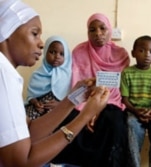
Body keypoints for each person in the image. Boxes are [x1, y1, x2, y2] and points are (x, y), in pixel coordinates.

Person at [0, 0, 109, 167]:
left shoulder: (8, 73)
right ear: (7, 32)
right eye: (34, 33)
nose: (41, 43)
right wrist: (86, 115)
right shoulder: (3, 74)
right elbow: (20, 162)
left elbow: (29, 132)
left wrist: (73, 98)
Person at [54, 13, 130, 167]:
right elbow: (77, 87)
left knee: (114, 122)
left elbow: (119, 88)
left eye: (102, 28)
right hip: (83, 100)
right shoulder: (79, 52)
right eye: (92, 30)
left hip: (110, 100)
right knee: (68, 120)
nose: (98, 34)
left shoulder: (120, 54)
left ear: (109, 29)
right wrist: (88, 110)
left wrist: (97, 109)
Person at [120, 35, 151, 167]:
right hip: (133, 111)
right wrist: (136, 111)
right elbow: (125, 100)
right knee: (130, 124)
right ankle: (134, 163)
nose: (147, 55)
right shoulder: (127, 73)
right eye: (142, 51)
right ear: (133, 53)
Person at [25, 35, 72, 120]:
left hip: (59, 110)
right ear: (45, 51)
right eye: (53, 52)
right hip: (37, 109)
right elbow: (30, 96)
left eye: (62, 54)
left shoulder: (68, 75)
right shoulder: (37, 74)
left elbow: (71, 98)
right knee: (26, 119)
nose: (57, 56)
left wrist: (60, 104)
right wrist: (35, 103)